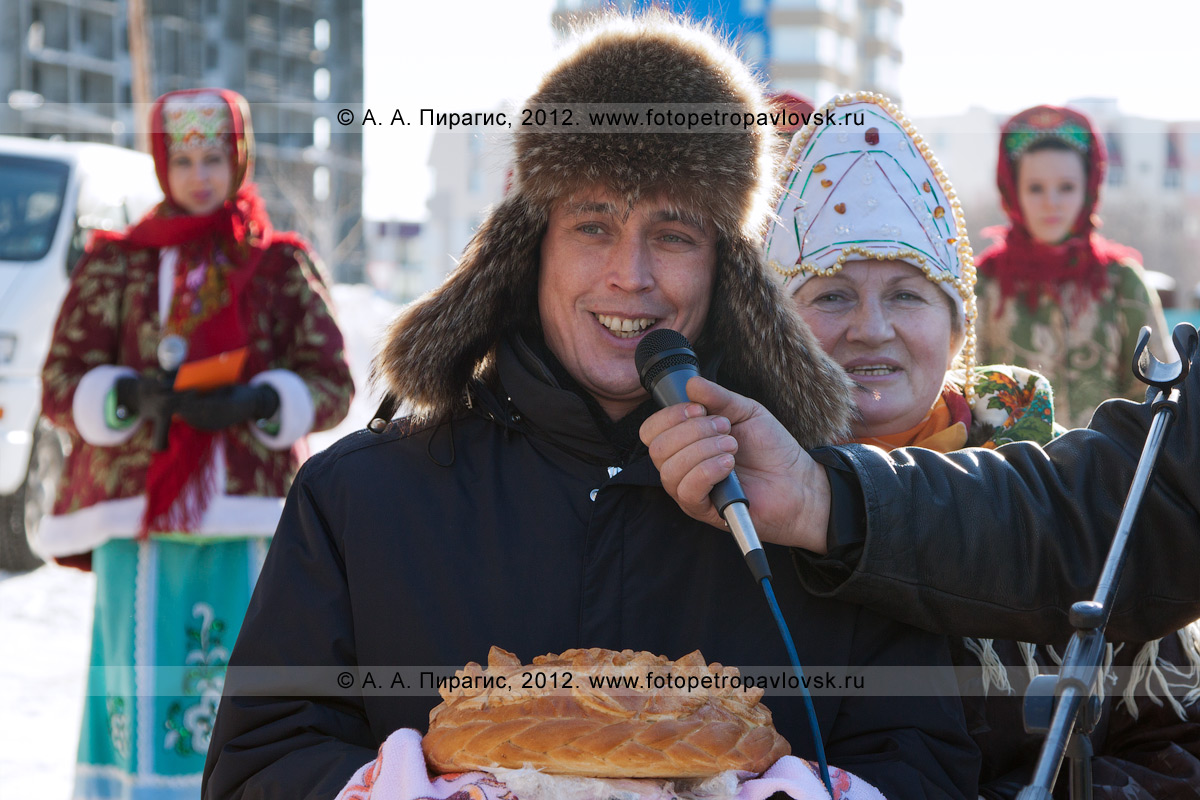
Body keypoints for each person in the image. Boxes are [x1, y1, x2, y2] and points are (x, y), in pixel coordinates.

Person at [203, 16, 979, 800]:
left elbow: (926, 764)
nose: (628, 274)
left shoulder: (818, 511)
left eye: (674, 233)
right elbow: (258, 764)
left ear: (729, 272)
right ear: (529, 246)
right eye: (593, 225)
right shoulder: (361, 499)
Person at [765, 94, 1200, 799]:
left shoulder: (1084, 513)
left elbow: (1178, 743)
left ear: (959, 333)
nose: (871, 328)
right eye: (833, 296)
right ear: (779, 330)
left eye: (907, 296)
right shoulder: (737, 509)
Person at [38, 88, 354, 799]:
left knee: (246, 677)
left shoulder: (278, 264)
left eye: (214, 156)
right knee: (136, 679)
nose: (200, 173)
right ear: (161, 163)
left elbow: (331, 381)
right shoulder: (116, 263)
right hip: (137, 512)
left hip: (248, 512)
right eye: (183, 158)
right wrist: (124, 396)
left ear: (238, 157)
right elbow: (61, 377)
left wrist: (264, 399)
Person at [974, 105, 1169, 428]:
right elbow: (964, 389)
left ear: (1088, 189)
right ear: (1013, 191)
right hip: (1009, 472)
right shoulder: (985, 283)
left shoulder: (1122, 280)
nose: (1052, 202)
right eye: (1035, 188)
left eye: (1066, 187)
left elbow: (1156, 391)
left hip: (1111, 470)